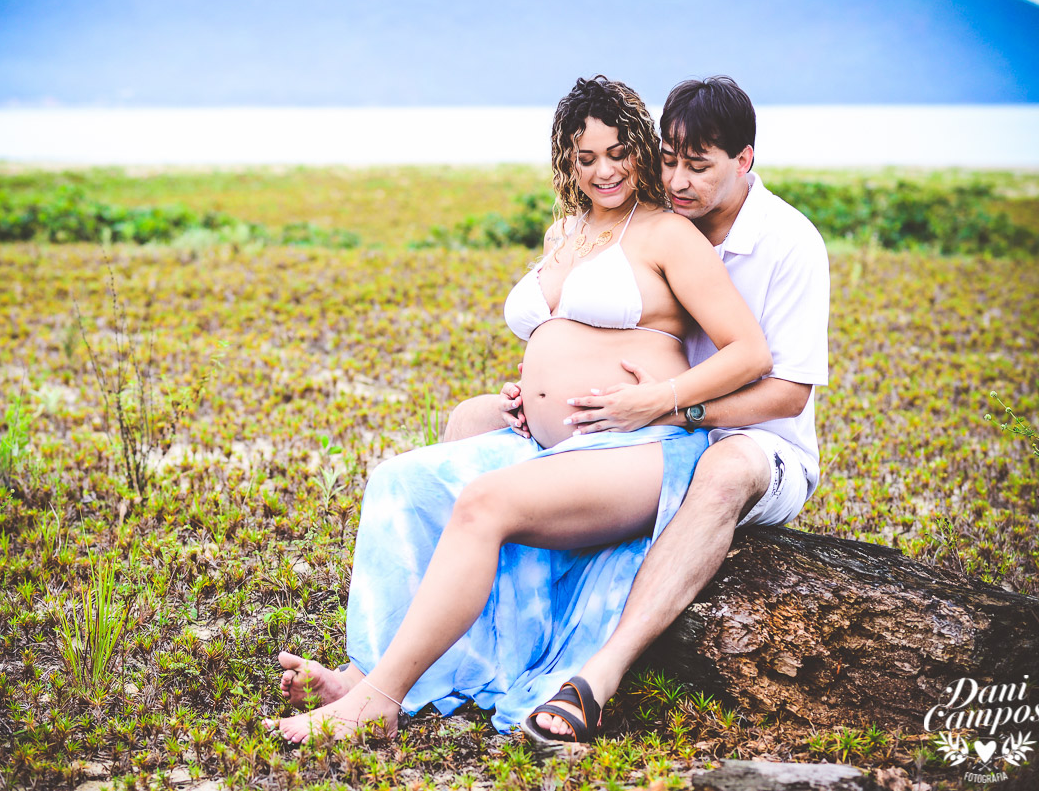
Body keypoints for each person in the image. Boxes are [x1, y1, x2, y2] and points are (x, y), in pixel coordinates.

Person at [270, 75, 771, 742]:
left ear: (641, 148)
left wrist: (659, 398)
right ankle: (366, 672)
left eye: (618, 153)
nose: (603, 171)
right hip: (553, 444)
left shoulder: (668, 234)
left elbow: (749, 351)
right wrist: (531, 388)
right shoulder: (563, 233)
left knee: (484, 503)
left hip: (641, 446)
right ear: (566, 160)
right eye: (585, 158)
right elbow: (563, 335)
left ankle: (378, 701)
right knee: (401, 481)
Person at [446, 76, 830, 742]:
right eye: (669, 160)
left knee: (723, 471)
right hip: (641, 425)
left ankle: (600, 674)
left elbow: (788, 392)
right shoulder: (653, 222)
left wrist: (671, 409)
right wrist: (541, 392)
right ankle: (465, 638)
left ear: (744, 159)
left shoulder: (788, 242)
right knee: (470, 421)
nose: (678, 181)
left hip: (756, 444)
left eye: (699, 166)